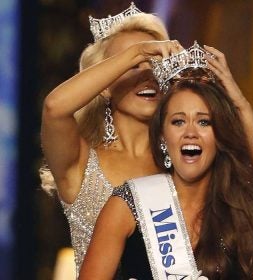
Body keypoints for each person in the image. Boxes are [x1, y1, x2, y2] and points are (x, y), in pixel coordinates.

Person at [79, 43, 253, 279]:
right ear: (162, 136)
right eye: (178, 122)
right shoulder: (128, 204)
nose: (190, 132)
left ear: (220, 135)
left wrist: (239, 101)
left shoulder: (245, 207)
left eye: (204, 122)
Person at [39, 3, 185, 275]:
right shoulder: (81, 163)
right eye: (132, 66)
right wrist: (138, 51)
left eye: (155, 64)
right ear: (104, 86)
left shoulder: (184, 161)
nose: (147, 75)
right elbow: (54, 108)